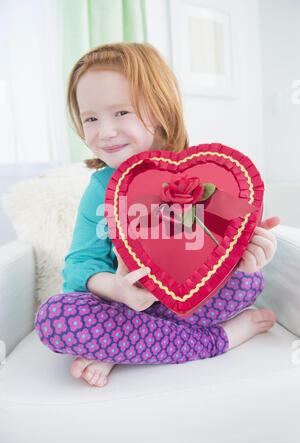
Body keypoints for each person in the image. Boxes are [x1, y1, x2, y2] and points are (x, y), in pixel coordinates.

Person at [34, 42, 279, 388]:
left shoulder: (202, 175)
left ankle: (120, 348)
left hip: (194, 298)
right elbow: (80, 267)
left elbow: (237, 235)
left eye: (121, 113)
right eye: (91, 118)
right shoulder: (99, 190)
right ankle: (220, 339)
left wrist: (252, 252)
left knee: (248, 282)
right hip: (127, 304)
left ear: (161, 110)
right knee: (55, 318)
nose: (104, 132)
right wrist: (120, 291)